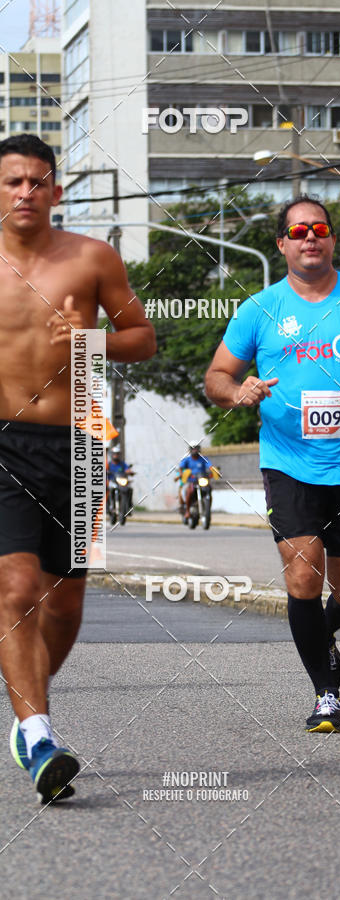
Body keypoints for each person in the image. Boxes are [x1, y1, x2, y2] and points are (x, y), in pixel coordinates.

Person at [205, 194, 340, 733]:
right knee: (303, 575)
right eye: (298, 230)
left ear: (332, 240)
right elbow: (216, 378)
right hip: (288, 463)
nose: (310, 237)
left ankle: (321, 634)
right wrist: (241, 391)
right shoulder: (258, 310)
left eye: (319, 229)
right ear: (281, 244)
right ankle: (326, 693)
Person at [0, 135, 156, 802]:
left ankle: (30, 696)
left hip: (80, 446)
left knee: (63, 606)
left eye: (37, 182)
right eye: (12, 182)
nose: (25, 193)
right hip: (3, 444)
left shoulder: (92, 258)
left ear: (57, 192)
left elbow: (143, 340)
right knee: (17, 589)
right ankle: (36, 731)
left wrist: (92, 339)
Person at [177, 444, 212, 518]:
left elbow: (210, 466)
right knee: (189, 491)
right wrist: (181, 474)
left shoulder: (203, 459)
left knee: (209, 489)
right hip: (190, 481)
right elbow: (181, 468)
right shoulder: (187, 460)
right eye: (193, 448)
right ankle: (187, 511)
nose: (195, 450)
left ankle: (208, 508)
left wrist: (214, 471)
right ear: (190, 450)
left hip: (201, 480)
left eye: (196, 448)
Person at [106, 446, 134, 517]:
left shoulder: (122, 464)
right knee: (106, 490)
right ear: (112, 455)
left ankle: (128, 508)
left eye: (117, 454)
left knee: (129, 490)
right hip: (112, 482)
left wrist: (129, 472)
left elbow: (127, 469)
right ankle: (108, 507)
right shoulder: (109, 464)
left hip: (120, 482)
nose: (116, 455)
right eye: (115, 454)